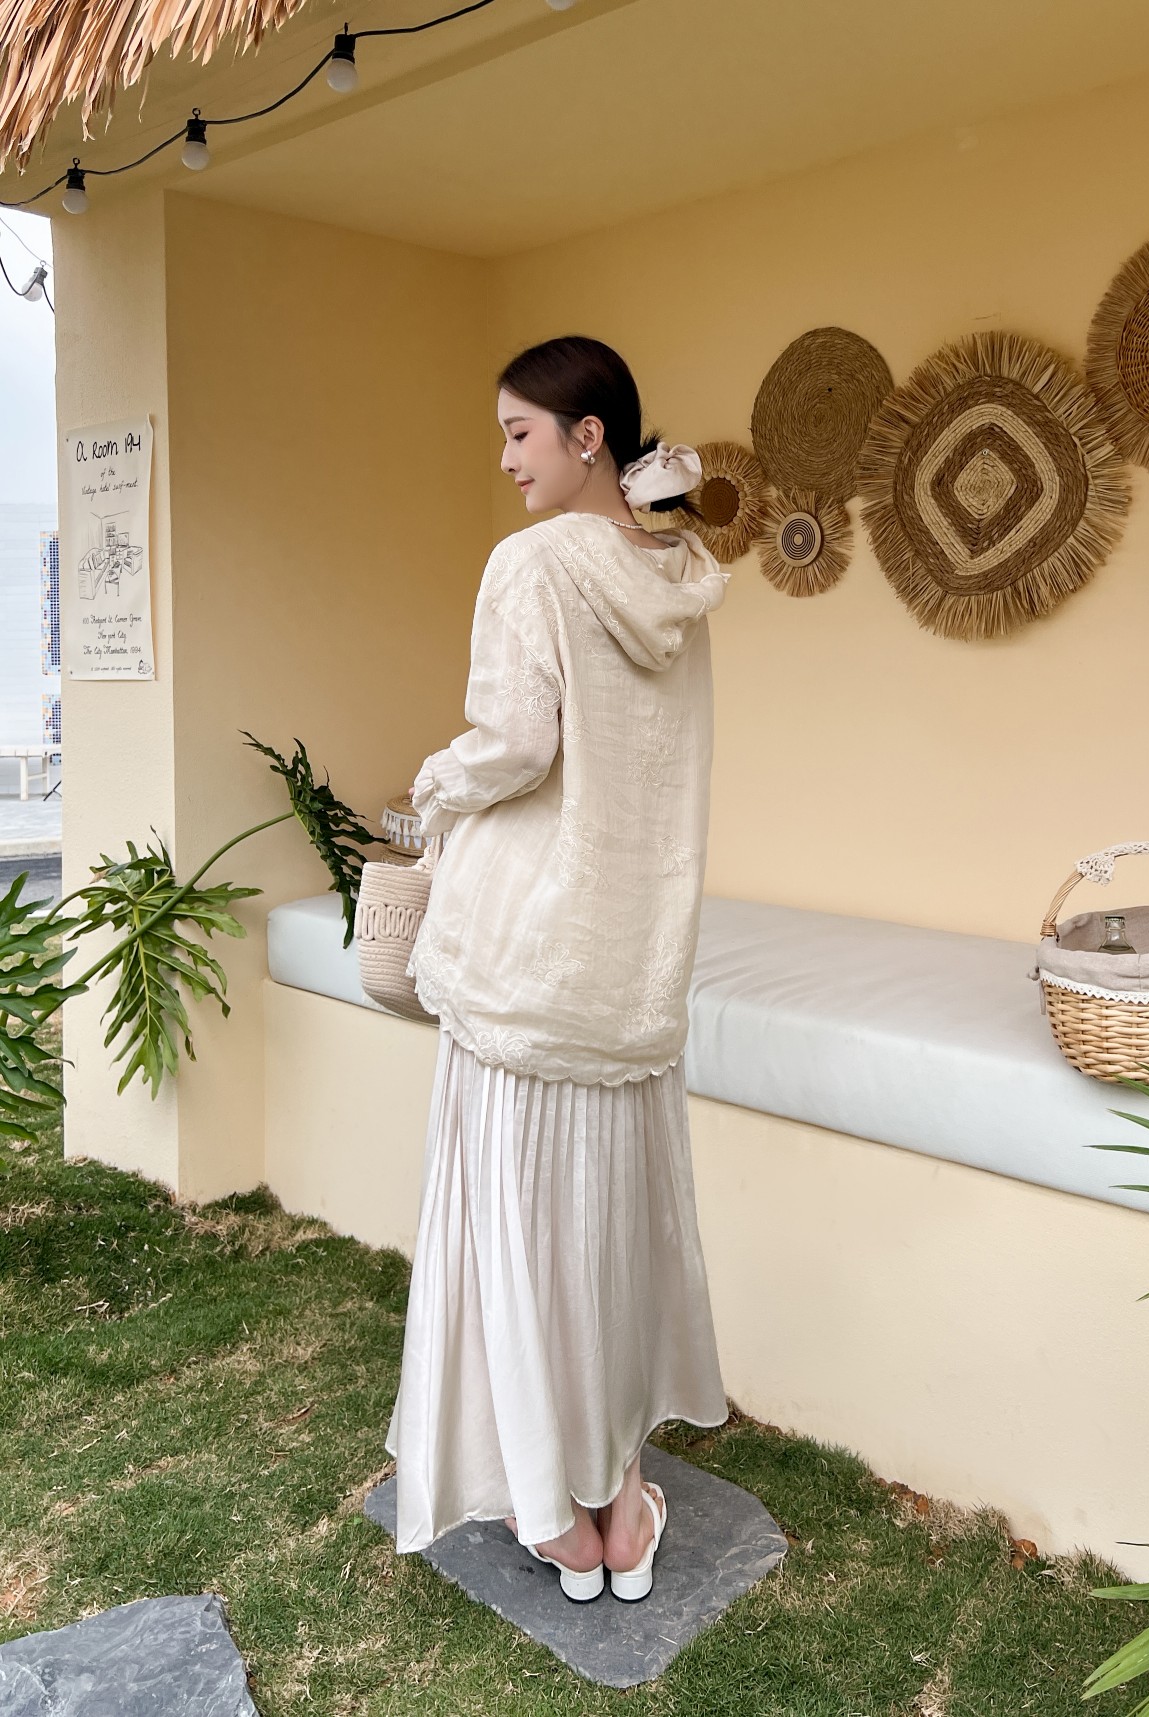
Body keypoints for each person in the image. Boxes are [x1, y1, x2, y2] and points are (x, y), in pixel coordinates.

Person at [384, 334, 731, 1604]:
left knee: (517, 1238)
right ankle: (620, 1511)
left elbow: (516, 743)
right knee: (605, 1244)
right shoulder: (674, 574)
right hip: (628, 969)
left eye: (518, 432)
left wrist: (432, 782)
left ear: (589, 437)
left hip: (527, 961)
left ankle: (555, 1521)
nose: (504, 458)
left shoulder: (530, 564)